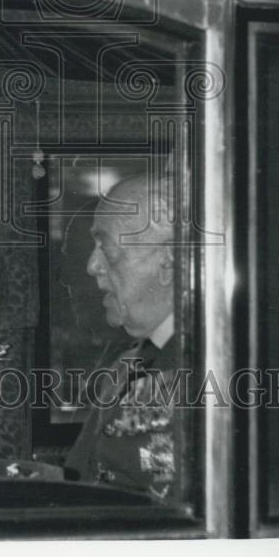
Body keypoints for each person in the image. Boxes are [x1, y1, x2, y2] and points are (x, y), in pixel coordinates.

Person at [64, 172, 179, 501]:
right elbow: (79, 482)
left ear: (168, 260)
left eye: (106, 246)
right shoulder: (125, 368)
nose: (92, 265)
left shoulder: (215, 368)